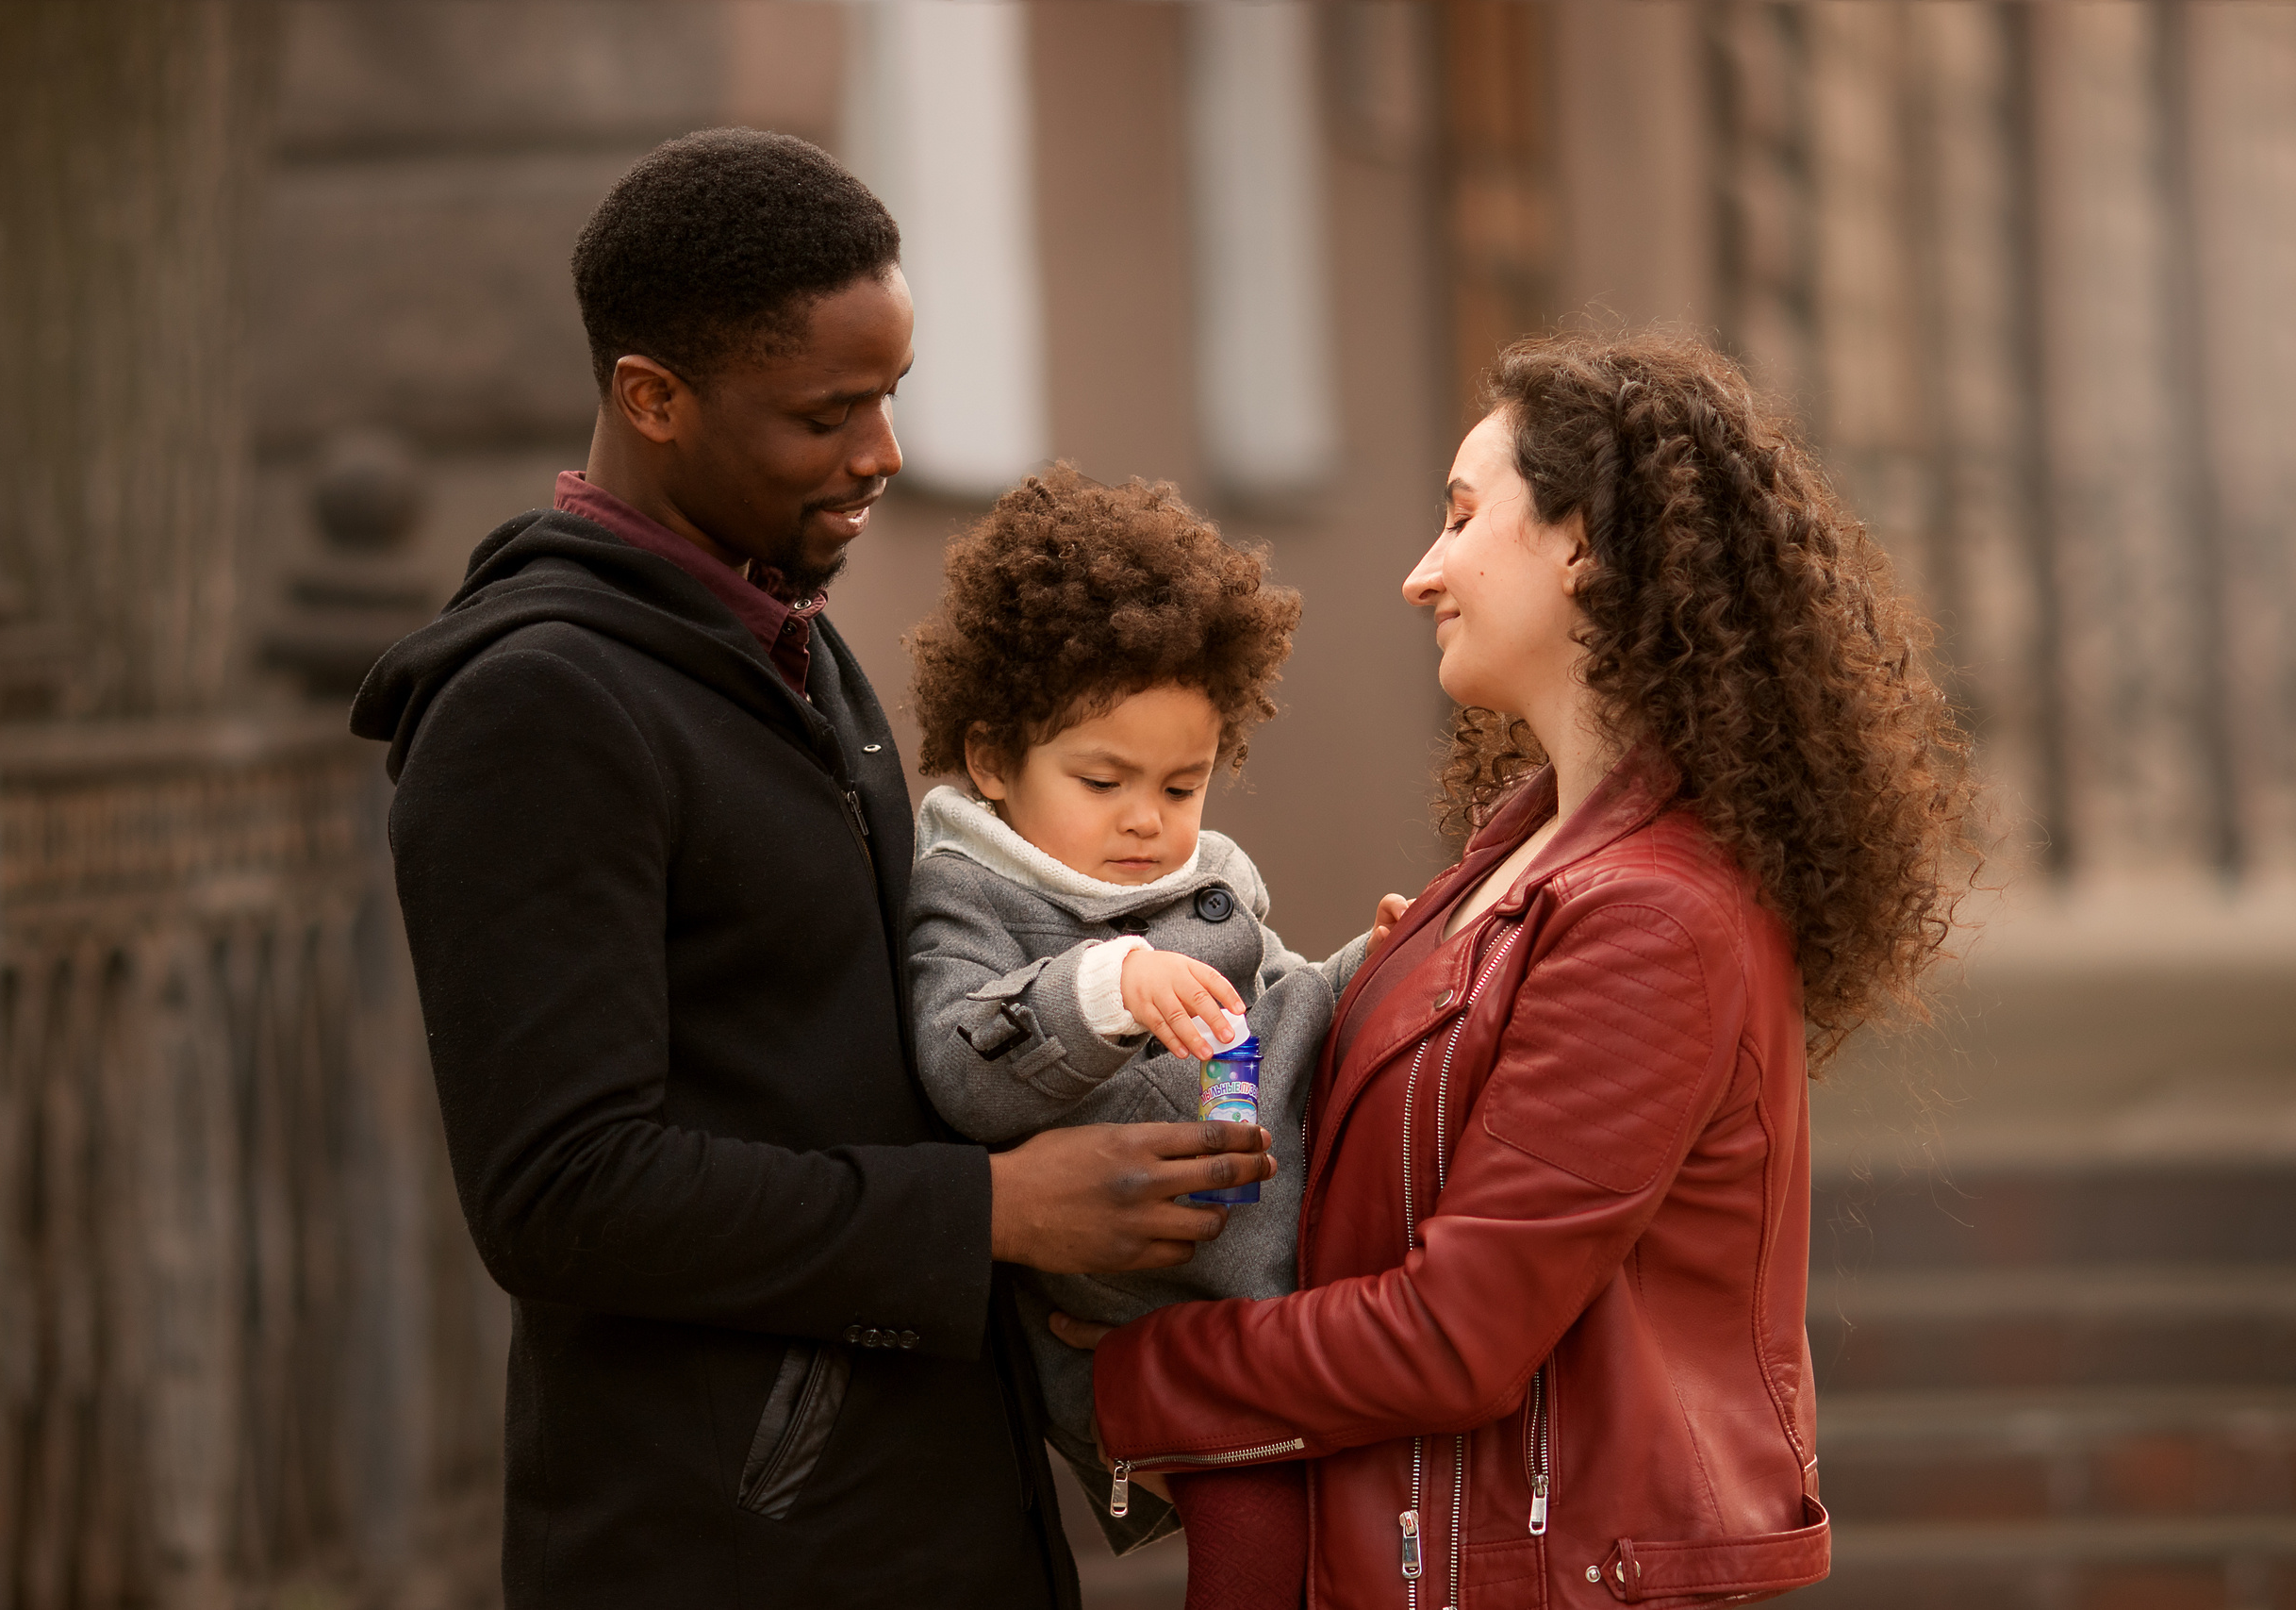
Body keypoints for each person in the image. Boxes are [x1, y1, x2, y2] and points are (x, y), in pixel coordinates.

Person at [350, 129, 1272, 1610]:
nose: (883, 454)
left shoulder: (782, 636)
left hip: (919, 1506)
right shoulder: (537, 707)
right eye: (827, 412)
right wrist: (992, 1211)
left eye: (892, 395)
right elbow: (560, 1190)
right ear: (653, 399)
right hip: (727, 1545)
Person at [1072, 330, 1978, 1606]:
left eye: (1459, 515)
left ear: (1584, 541)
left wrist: (1128, 1366)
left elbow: (1457, 1335)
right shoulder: (1512, 866)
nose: (1419, 573)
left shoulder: (1650, 916)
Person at [901, 468, 1379, 1610]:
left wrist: (1381, 963)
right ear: (991, 761)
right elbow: (958, 1067)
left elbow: (1284, 1016)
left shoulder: (1203, 890)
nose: (1145, 819)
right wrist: (1106, 983)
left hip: (1293, 1285)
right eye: (1102, 778)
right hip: (1161, 1327)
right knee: (1255, 1559)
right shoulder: (969, 897)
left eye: (1183, 784)